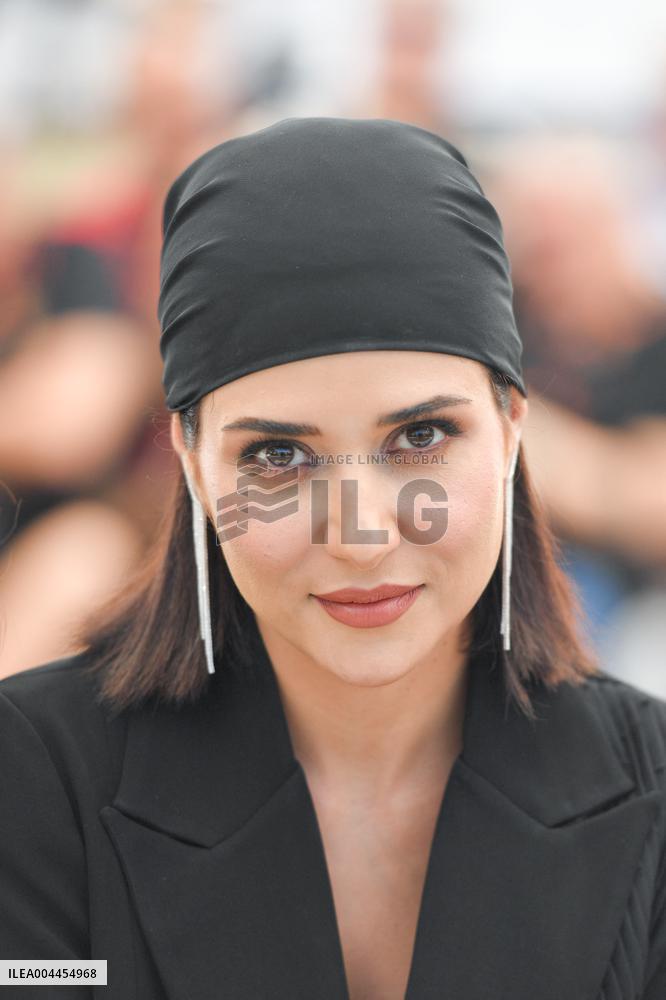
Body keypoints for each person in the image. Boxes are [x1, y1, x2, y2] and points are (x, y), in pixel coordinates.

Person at [1, 117, 665, 1000]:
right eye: (279, 457)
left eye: (421, 435)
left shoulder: (653, 798)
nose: (359, 536)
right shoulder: (35, 782)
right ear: (193, 464)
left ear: (511, 430)